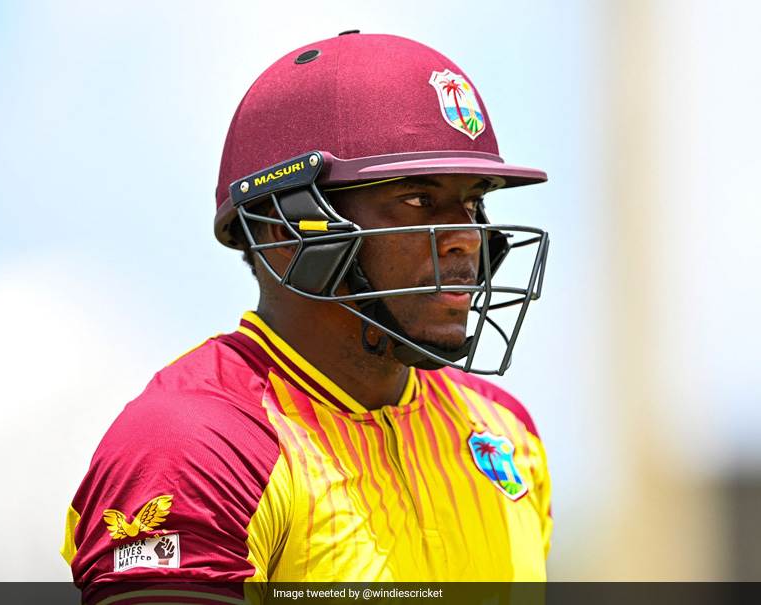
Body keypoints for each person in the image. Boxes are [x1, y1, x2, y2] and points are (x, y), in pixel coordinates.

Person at [61, 32, 552, 604]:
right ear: (284, 229)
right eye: (419, 199)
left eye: (473, 203)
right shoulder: (194, 446)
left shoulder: (505, 432)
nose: (467, 237)